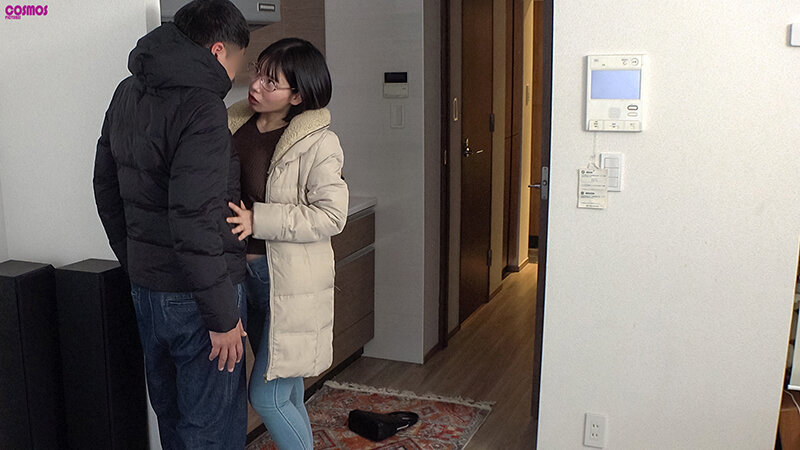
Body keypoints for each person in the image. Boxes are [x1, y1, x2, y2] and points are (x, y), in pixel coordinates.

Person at [92, 1, 251, 448]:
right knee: (211, 429)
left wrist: (136, 262)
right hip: (199, 297)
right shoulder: (203, 107)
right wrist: (222, 316)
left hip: (148, 291)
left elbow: (105, 186)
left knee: (174, 418)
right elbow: (195, 219)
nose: (235, 74)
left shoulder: (127, 91)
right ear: (218, 51)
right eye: (238, 62)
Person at [226, 38, 349, 450]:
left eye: (271, 81)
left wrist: (258, 219)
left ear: (297, 96)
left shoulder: (318, 142)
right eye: (258, 72)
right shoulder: (235, 125)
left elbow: (331, 215)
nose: (256, 85)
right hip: (243, 275)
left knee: (267, 396)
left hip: (290, 281)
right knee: (288, 388)